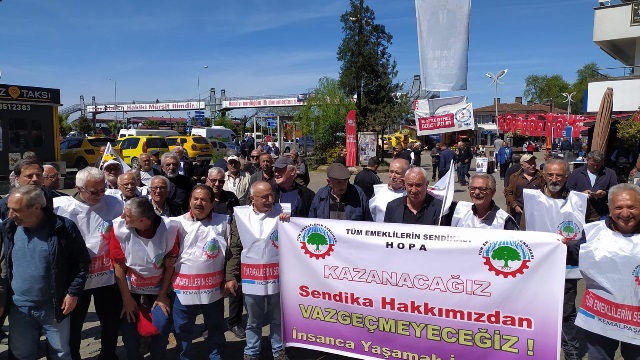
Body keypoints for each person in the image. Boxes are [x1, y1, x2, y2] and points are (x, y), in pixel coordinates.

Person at [1, 185, 90, 360]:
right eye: (9, 208)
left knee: (60, 354)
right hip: (19, 308)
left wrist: (73, 293)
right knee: (21, 354)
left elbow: (82, 263)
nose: (10, 214)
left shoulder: (63, 228)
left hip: (54, 308)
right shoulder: (8, 227)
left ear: (36, 208)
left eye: (16, 210)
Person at [53, 167, 124, 360]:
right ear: (79, 188)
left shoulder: (114, 203)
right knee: (75, 323)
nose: (100, 195)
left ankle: (108, 355)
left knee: (110, 322)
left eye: (102, 190)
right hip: (77, 278)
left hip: (107, 276)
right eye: (94, 191)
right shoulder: (61, 207)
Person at [522, 159, 588, 360]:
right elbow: (523, 233)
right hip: (537, 270)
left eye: (559, 175)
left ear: (566, 176)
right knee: (537, 310)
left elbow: (592, 233)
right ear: (543, 175)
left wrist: (574, 243)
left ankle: (571, 352)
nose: (554, 179)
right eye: (550, 174)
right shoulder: (532, 200)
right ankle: (539, 349)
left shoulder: (578, 201)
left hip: (566, 269)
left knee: (566, 312)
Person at [171, 185, 238, 360]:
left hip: (213, 289)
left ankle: (217, 356)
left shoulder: (224, 222)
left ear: (211, 203)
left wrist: (230, 277)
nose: (199, 203)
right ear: (190, 201)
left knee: (215, 327)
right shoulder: (177, 223)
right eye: (195, 199)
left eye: (203, 200)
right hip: (183, 289)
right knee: (182, 328)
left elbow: (232, 251)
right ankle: (184, 357)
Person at [109, 197, 179, 360]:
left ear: (143, 220)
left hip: (157, 287)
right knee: (128, 327)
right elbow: (119, 266)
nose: (122, 218)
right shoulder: (120, 229)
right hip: (130, 288)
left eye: (127, 216)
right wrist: (126, 299)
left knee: (161, 324)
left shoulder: (168, 229)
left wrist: (162, 294)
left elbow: (170, 262)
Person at [575, 183, 640, 359]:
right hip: (600, 318)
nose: (625, 214)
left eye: (631, 207)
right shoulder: (591, 233)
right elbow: (566, 255)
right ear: (610, 209)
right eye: (618, 207)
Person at [228, 181, 291, 360]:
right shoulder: (241, 216)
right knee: (253, 320)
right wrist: (231, 275)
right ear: (252, 199)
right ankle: (251, 351)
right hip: (251, 279)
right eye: (264, 197)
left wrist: (289, 222)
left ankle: (278, 350)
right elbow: (235, 247)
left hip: (277, 278)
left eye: (271, 195)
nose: (270, 200)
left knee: (277, 318)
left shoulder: (283, 212)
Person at [384, 167, 453, 225]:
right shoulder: (392, 207)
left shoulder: (441, 208)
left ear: (426, 184)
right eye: (410, 185)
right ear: (405, 184)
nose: (414, 190)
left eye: (418, 185)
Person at [451, 173, 519, 230]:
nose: (476, 192)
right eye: (472, 188)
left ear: (493, 192)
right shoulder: (458, 212)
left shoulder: (505, 221)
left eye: (483, 189)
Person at [566, 150, 618, 223]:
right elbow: (568, 188)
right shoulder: (577, 172)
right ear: (587, 160)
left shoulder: (610, 173)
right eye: (592, 164)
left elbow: (615, 191)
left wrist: (604, 193)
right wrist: (581, 194)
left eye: (598, 165)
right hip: (580, 211)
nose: (595, 167)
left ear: (603, 162)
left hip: (601, 212)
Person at [504, 154, 544, 229]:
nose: (533, 165)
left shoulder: (541, 176)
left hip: (537, 211)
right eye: (529, 163)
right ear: (522, 165)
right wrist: (515, 205)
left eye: (534, 163)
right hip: (520, 211)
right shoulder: (514, 177)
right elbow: (508, 192)